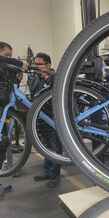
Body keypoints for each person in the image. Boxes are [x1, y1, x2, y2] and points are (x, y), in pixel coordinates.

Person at [0, 41, 27, 196]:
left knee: (3, 144)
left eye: (10, 55)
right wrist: (18, 63)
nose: (8, 58)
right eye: (6, 55)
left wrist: (17, 76)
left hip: (4, 112)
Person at [31, 53, 62, 188]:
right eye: (35, 64)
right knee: (46, 147)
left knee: (55, 149)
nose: (36, 67)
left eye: (39, 64)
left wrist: (49, 77)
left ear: (48, 65)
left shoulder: (56, 77)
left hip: (52, 118)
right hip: (41, 119)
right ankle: (47, 172)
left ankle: (55, 175)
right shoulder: (36, 78)